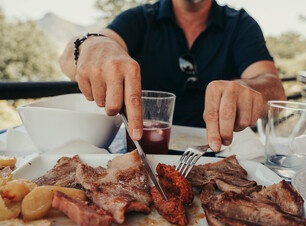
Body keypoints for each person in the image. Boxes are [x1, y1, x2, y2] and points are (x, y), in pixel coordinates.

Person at [59, 0, 286, 152]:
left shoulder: (240, 24)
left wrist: (249, 88)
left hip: (215, 153)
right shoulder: (139, 19)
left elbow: (274, 88)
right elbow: (68, 58)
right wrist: (93, 44)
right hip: (139, 152)